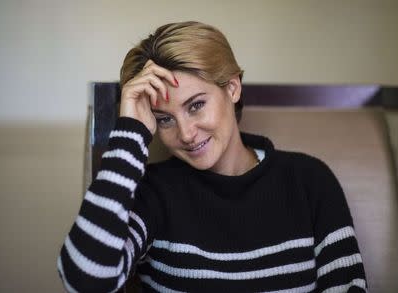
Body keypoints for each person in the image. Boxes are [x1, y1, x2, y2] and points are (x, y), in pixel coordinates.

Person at [57, 21, 367, 292]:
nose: (187, 133)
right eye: (164, 119)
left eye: (195, 105)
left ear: (232, 88)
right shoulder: (152, 192)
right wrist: (130, 131)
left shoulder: (309, 181)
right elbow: (87, 281)